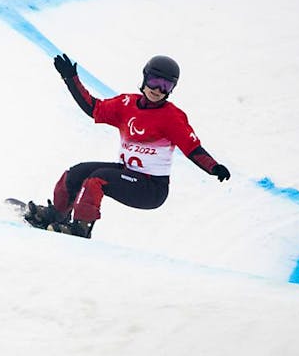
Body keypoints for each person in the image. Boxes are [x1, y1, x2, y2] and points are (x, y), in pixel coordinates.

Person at [24, 53, 231, 238]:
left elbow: (193, 149)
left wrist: (214, 167)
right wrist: (71, 79)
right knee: (76, 173)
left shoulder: (172, 117)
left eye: (166, 86)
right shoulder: (126, 105)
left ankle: (80, 230)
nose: (158, 90)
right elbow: (93, 108)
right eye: (154, 81)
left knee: (96, 180)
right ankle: (57, 215)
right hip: (128, 171)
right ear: (144, 78)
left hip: (151, 189)